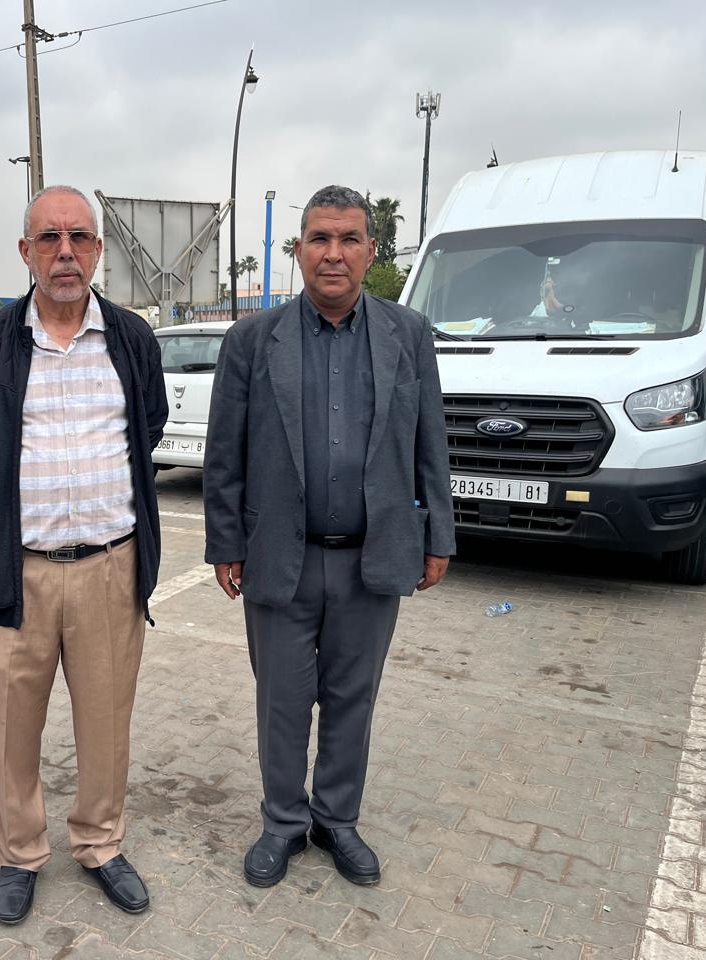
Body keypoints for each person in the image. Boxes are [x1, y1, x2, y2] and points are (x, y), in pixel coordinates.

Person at [203, 185, 455, 890]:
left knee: (352, 699)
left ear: (371, 251)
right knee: (281, 702)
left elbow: (430, 442)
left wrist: (438, 535)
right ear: (299, 250)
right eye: (320, 238)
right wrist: (226, 543)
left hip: (372, 560)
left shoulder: (409, 334)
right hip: (279, 556)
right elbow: (224, 454)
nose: (334, 254)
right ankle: (283, 823)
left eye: (348, 239)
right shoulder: (253, 341)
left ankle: (337, 821)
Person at [0, 185, 167, 924]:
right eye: (49, 238)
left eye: (79, 238)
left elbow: (148, 427)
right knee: (12, 727)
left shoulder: (132, 339)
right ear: (26, 251)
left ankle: (100, 842)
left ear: (98, 250)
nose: (65, 252)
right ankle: (20, 853)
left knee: (106, 722)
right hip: (18, 573)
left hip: (110, 566)